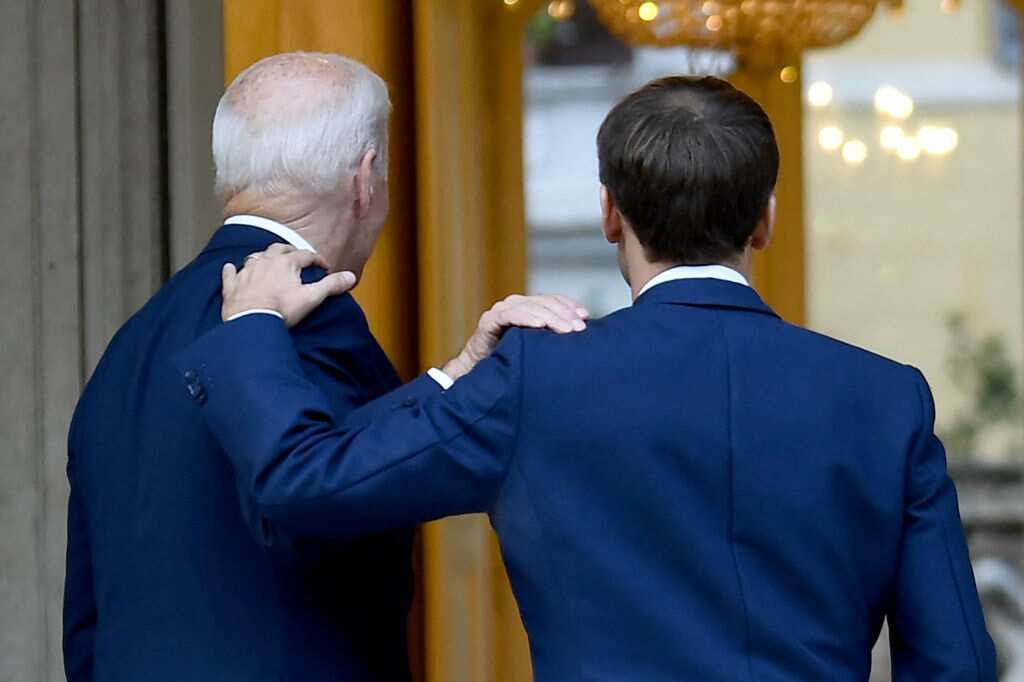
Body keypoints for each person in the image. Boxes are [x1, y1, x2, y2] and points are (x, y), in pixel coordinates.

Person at [175, 76, 997, 680]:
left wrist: (250, 330)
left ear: (611, 214)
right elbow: (954, 663)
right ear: (767, 218)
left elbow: (304, 486)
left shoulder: (537, 378)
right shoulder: (888, 399)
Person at [63, 51, 585, 681]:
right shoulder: (302, 311)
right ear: (365, 179)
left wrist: (453, 377)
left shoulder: (132, 344)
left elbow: (89, 623)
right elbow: (327, 493)